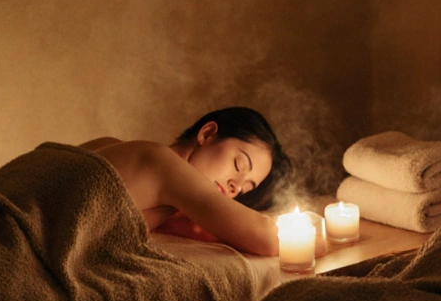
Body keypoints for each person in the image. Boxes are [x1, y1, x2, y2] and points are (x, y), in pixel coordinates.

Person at [80, 106, 292, 257]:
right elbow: (269, 239)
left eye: (245, 188)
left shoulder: (115, 149)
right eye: (239, 165)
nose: (236, 186)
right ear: (207, 134)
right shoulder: (162, 164)